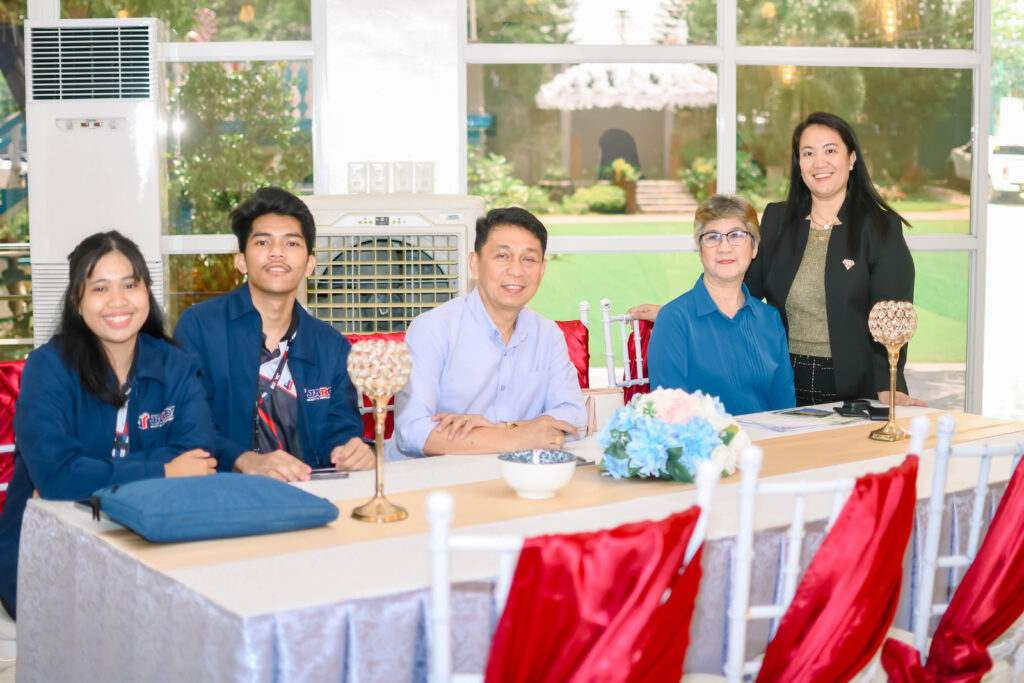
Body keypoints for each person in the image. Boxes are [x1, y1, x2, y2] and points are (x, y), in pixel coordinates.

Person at [0, 232, 217, 619]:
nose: (118, 301)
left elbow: (198, 458)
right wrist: (165, 470)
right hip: (49, 550)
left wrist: (86, 476)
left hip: (149, 537)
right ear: (77, 300)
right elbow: (57, 476)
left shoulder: (176, 365)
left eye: (130, 285)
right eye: (100, 288)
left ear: (147, 291)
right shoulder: (48, 368)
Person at [174, 187, 373, 481]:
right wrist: (245, 461)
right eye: (263, 242)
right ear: (241, 260)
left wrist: (352, 451)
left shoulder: (332, 346)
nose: (277, 252)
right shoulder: (200, 327)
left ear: (310, 264)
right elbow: (189, 423)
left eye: (291, 243)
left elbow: (341, 428)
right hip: (225, 490)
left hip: (310, 490)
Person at [745, 112, 926, 407]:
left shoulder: (881, 228)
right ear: (799, 163)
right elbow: (745, 295)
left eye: (830, 151)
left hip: (852, 387)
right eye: (808, 153)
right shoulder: (777, 219)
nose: (819, 163)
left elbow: (891, 315)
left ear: (851, 158)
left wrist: (888, 386)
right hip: (781, 379)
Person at [391, 207, 586, 458]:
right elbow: (412, 431)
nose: (516, 270)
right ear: (475, 264)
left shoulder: (548, 335)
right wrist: (520, 437)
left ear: (542, 269)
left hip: (510, 473)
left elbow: (574, 418)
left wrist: (503, 428)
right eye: (502, 256)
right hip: (430, 476)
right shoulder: (433, 329)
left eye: (528, 259)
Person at [646, 195, 796, 415]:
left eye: (736, 235)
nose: (724, 247)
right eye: (712, 237)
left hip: (767, 437)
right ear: (700, 251)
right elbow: (670, 415)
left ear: (754, 248)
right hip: (701, 438)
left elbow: (785, 409)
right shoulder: (673, 320)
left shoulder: (770, 319)